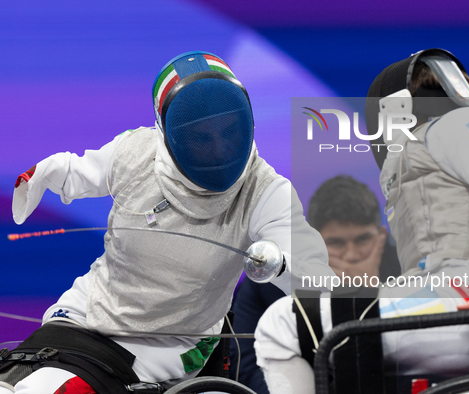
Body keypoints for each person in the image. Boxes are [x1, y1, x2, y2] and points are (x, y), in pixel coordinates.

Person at [1, 51, 334, 393]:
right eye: (201, 138)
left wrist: (280, 266)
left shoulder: (265, 191)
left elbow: (321, 284)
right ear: (167, 133)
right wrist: (45, 173)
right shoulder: (136, 152)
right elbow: (81, 171)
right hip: (82, 314)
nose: (220, 148)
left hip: (164, 347)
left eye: (229, 130)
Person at [254, 48, 469, 394]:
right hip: (457, 308)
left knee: (281, 326)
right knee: (337, 323)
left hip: (468, 304)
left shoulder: (455, 126)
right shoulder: (433, 148)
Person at [229, 175, 400, 393]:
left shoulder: (405, 265)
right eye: (336, 243)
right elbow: (245, 370)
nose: (351, 254)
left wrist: (371, 295)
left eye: (362, 240)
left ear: (381, 237)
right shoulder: (271, 275)